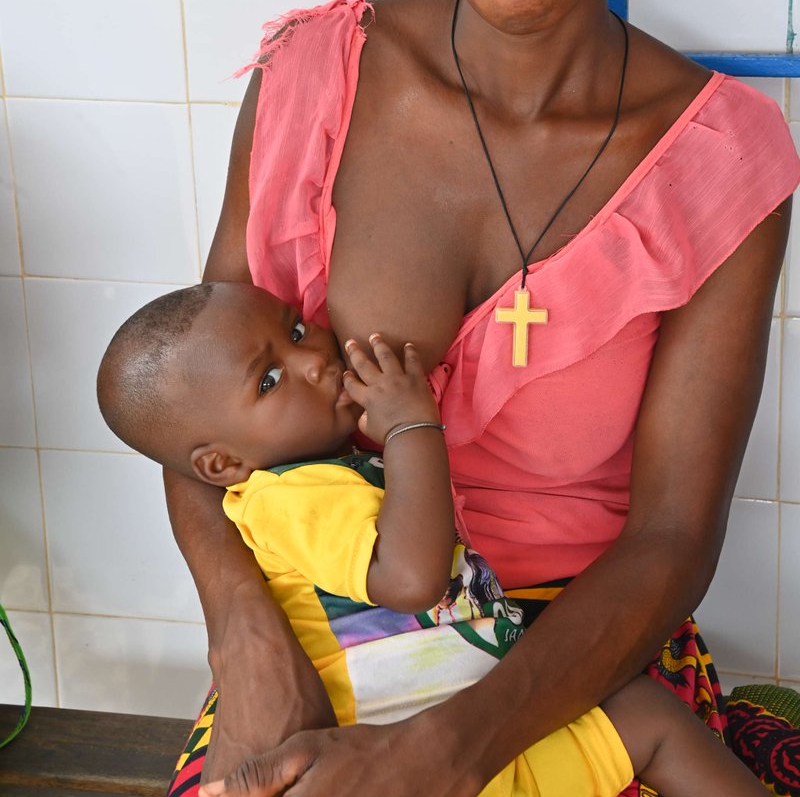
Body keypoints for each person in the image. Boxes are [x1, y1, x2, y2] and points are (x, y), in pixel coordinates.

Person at [160, 0, 800, 796]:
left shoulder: (716, 158)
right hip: (326, 634)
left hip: (580, 660)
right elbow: (193, 386)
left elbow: (670, 538)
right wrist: (242, 634)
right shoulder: (317, 78)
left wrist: (444, 751)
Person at [99, 280, 771, 796]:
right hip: (402, 753)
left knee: (645, 721)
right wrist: (410, 425)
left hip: (449, 725)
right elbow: (412, 577)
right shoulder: (292, 498)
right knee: (648, 724)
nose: (311, 359)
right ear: (220, 465)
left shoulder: (314, 477)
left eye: (298, 329)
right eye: (269, 380)